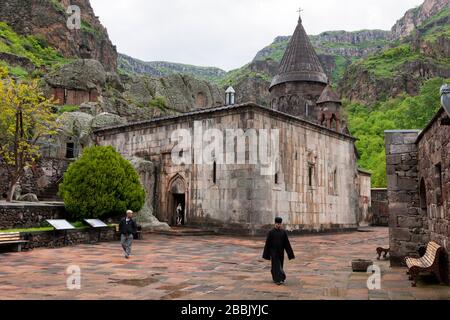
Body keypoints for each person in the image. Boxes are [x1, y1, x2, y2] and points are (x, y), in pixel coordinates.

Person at [263, 217, 295, 285]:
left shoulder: (283, 232)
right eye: (277, 224)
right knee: (276, 265)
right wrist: (266, 254)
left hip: (281, 252)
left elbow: (287, 244)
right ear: (275, 223)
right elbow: (267, 243)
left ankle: (278, 278)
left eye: (280, 224)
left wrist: (290, 254)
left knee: (280, 265)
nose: (279, 225)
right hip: (273, 252)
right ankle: (278, 279)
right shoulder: (271, 232)